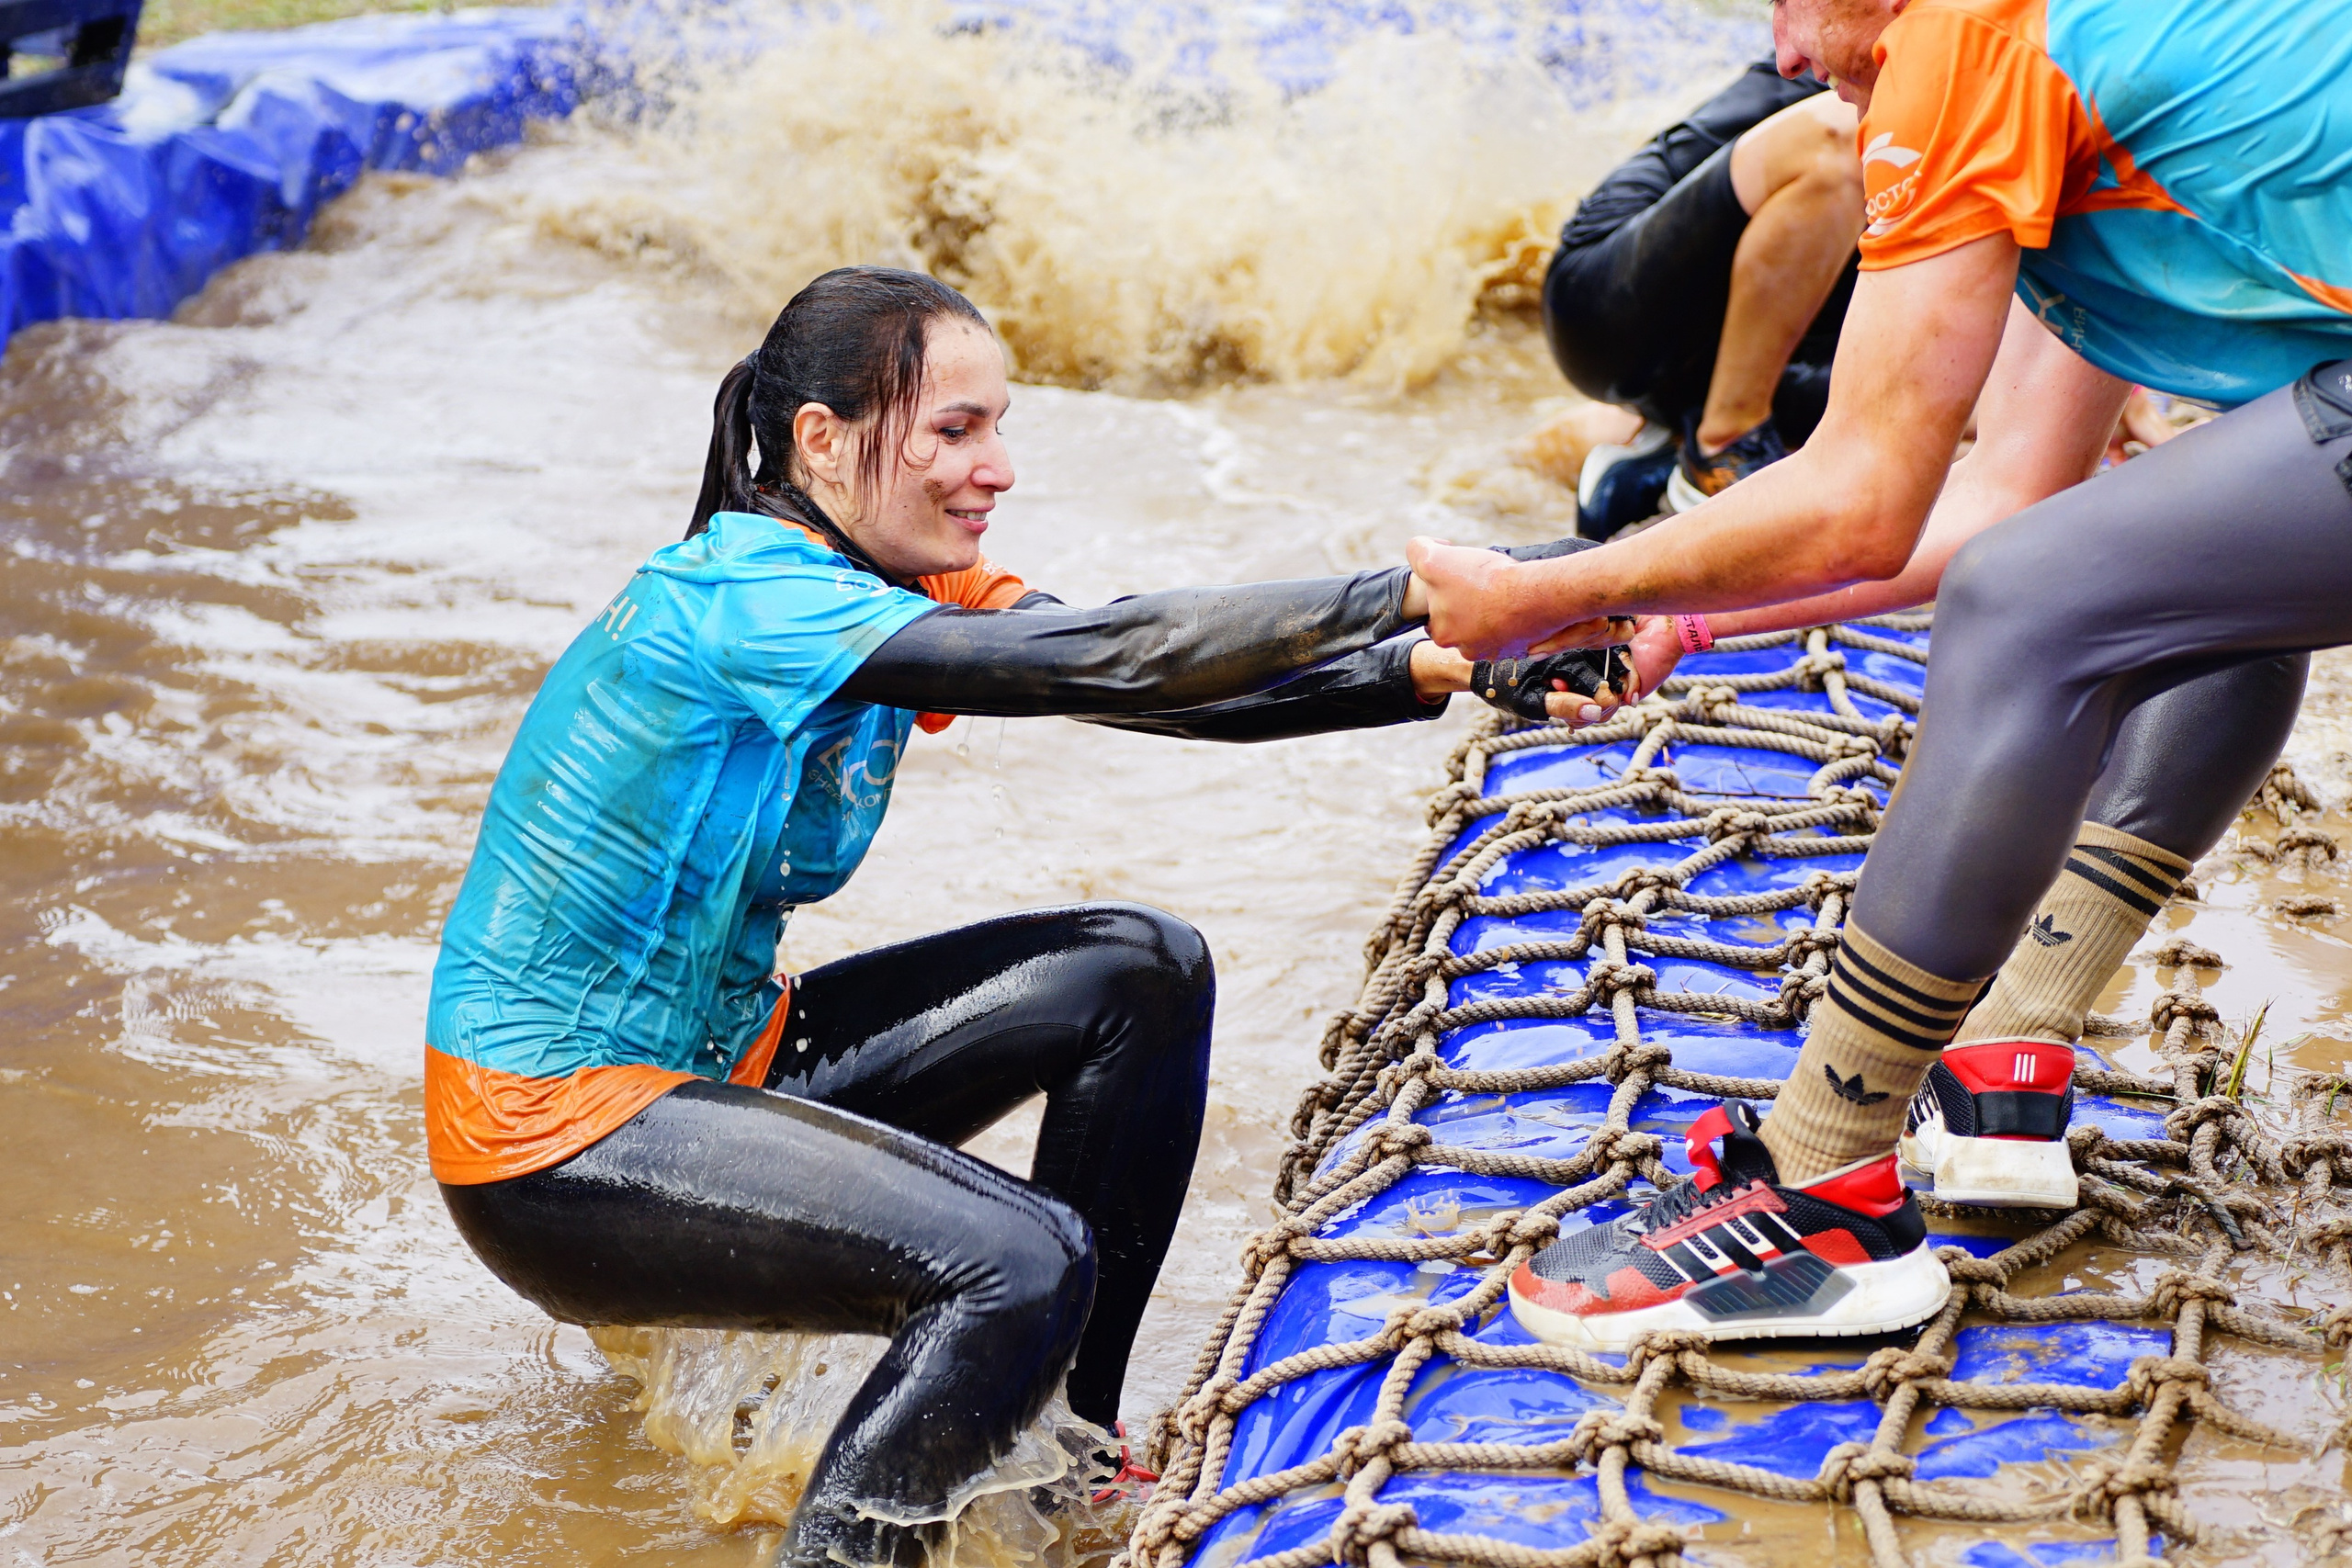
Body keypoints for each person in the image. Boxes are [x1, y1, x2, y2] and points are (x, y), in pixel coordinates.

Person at [425, 265, 1631, 1563]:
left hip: (723, 1060)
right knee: (1021, 1257)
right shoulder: (750, 600)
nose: (995, 468)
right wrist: (1431, 583)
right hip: (553, 1140)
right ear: (821, 440)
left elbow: (1148, 678)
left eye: (999, 426)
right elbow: (1108, 652)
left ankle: (1059, 1473)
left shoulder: (895, 573)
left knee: (1138, 972)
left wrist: (1442, 663)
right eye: (954, 429)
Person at [1409, 0, 2352, 1350]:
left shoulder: (1966, 41)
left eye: (1793, 0)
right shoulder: (2084, 67)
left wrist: (1549, 587)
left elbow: (1868, 502)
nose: (1786, 54)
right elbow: (1993, 490)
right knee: (2198, 571)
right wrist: (1689, 614)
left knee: (2032, 604)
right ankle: (2007, 1063)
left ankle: (1813, 1190)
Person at [1539, 60, 1863, 534]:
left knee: (1967, 402)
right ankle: (1724, 441)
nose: (1788, 49)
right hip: (1614, 300)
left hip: (1766, 340)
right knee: (1846, 134)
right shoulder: (1877, 45)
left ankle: (1653, 459)